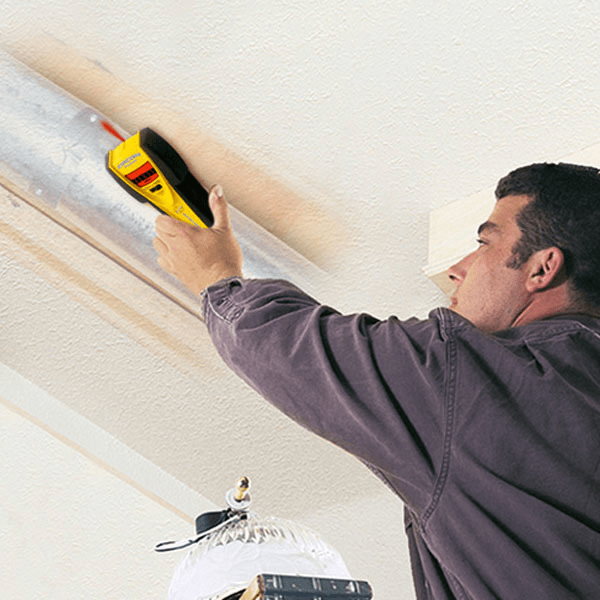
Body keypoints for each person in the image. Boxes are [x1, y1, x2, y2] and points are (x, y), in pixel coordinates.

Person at [153, 163, 600, 599]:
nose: (457, 269)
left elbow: (295, 352)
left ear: (542, 268)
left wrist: (216, 278)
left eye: (484, 243)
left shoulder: (475, 379)